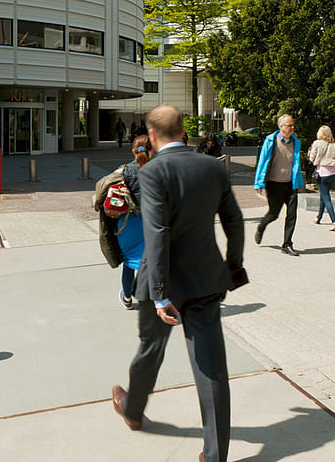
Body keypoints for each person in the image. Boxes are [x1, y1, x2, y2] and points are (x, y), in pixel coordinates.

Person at [112, 104, 246, 462]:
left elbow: (157, 233)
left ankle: (133, 412)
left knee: (149, 351)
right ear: (183, 131)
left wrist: (158, 294)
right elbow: (234, 220)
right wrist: (233, 269)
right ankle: (215, 456)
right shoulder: (212, 167)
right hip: (205, 280)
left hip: (162, 285)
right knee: (212, 367)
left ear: (152, 137)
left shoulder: (152, 171)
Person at [253, 114, 304, 256]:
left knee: (292, 214)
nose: (292, 127)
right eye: (289, 125)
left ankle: (287, 244)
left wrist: (299, 182)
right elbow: (262, 162)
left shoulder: (296, 142)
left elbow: (296, 164)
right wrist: (259, 183)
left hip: (290, 184)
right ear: (281, 127)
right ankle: (261, 226)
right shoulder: (271, 141)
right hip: (274, 184)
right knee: (273, 214)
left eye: (293, 125)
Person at [116, 134, 153, 310]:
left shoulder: (124, 170)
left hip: (129, 223)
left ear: (133, 151)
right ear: (152, 151)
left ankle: (128, 298)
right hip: (153, 223)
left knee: (130, 262)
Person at [308, 125, 335, 230]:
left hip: (322, 173)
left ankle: (334, 221)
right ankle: (319, 217)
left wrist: (311, 156)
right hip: (333, 173)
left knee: (326, 197)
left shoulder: (317, 143)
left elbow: (312, 159)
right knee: (323, 194)